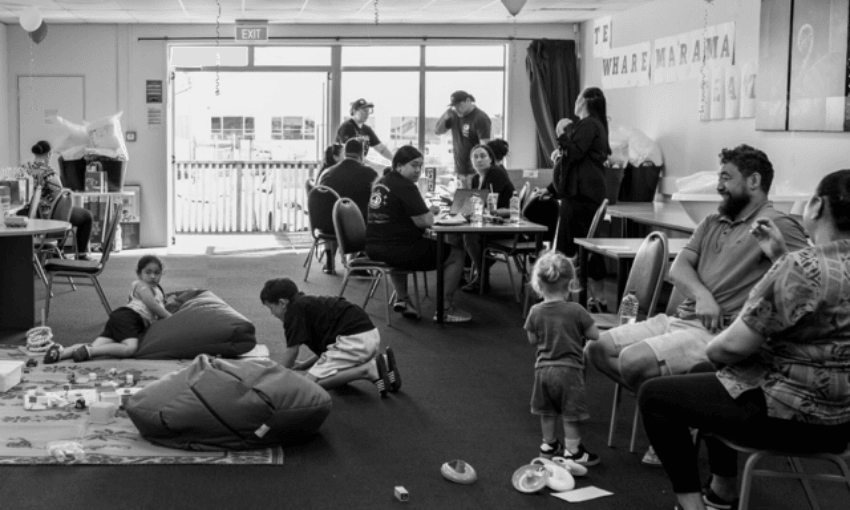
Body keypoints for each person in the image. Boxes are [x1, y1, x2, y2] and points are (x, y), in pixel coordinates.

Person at [638, 169, 850, 510]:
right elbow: (825, 305)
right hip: (840, 421)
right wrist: (779, 255)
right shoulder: (808, 264)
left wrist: (711, 344)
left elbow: (732, 346)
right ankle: (723, 491)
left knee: (656, 396)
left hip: (791, 417)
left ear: (816, 205)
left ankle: (690, 507)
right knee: (705, 374)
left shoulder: (800, 266)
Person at [585, 144, 810, 465]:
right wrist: (703, 296)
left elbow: (807, 276)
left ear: (754, 181)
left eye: (726, 178)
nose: (718, 185)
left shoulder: (778, 223)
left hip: (718, 332)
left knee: (634, 362)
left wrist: (777, 255)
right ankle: (676, 412)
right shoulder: (713, 221)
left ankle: (671, 413)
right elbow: (678, 269)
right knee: (597, 348)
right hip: (680, 319)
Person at [365, 146, 471, 323]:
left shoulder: (383, 182)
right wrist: (430, 214)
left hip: (374, 247)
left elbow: (402, 213)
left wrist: (425, 212)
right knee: (456, 254)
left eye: (420, 166)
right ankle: (445, 308)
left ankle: (403, 299)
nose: (418, 170)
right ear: (399, 166)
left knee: (402, 254)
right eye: (414, 165)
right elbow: (426, 221)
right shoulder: (405, 186)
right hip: (397, 248)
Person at [260, 278, 401, 398]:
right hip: (367, 336)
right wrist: (305, 364)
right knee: (330, 378)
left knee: (307, 386)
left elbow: (292, 351)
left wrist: (277, 378)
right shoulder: (306, 305)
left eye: (271, 308)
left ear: (283, 303)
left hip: (353, 341)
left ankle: (368, 370)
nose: (272, 313)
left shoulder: (293, 313)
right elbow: (329, 348)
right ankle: (385, 364)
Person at [525, 251, 601, 465]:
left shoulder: (535, 311)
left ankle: (548, 445)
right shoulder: (576, 310)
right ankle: (573, 451)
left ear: (538, 284)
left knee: (547, 411)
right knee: (570, 412)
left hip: (543, 370)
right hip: (570, 369)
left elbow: (532, 339)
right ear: (571, 284)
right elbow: (594, 335)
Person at [43, 255, 172, 363]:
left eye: (157, 272)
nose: (153, 276)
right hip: (129, 318)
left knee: (96, 345)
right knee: (130, 348)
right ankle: (90, 352)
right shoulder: (142, 286)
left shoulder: (157, 290)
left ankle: (61, 352)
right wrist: (170, 317)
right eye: (148, 272)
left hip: (123, 320)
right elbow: (152, 305)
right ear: (139, 274)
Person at [547, 87, 610, 257]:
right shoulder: (593, 124)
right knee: (580, 247)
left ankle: (566, 281)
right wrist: (550, 189)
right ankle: (579, 280)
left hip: (581, 195)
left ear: (583, 102)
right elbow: (572, 159)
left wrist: (561, 134)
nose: (575, 103)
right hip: (582, 193)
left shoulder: (589, 123)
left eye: (577, 99)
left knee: (568, 248)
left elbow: (574, 153)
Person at [21, 140, 94, 260]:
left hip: (29, 213)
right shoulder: (50, 173)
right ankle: (80, 254)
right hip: (49, 214)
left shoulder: (24, 168)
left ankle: (56, 252)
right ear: (49, 154)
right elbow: (60, 197)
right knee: (87, 216)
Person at [461, 144, 515, 293]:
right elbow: (474, 205)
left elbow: (486, 204)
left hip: (504, 224)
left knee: (469, 235)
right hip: (487, 223)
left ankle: (482, 277)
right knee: (454, 233)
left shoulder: (495, 173)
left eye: (483, 156)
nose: (479, 160)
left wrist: (467, 207)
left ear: (490, 159)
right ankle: (460, 272)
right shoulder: (476, 178)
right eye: (475, 157)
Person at [435, 91, 491, 189]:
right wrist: (445, 116)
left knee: (473, 202)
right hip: (459, 171)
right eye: (454, 106)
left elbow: (485, 148)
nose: (457, 109)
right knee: (460, 203)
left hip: (475, 173)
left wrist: (483, 173)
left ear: (468, 101)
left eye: (459, 105)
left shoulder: (480, 118)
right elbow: (437, 131)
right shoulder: (454, 115)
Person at [319, 138, 379, 224]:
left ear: (344, 154)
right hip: (356, 227)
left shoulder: (326, 173)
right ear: (361, 155)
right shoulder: (371, 174)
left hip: (328, 225)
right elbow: (376, 204)